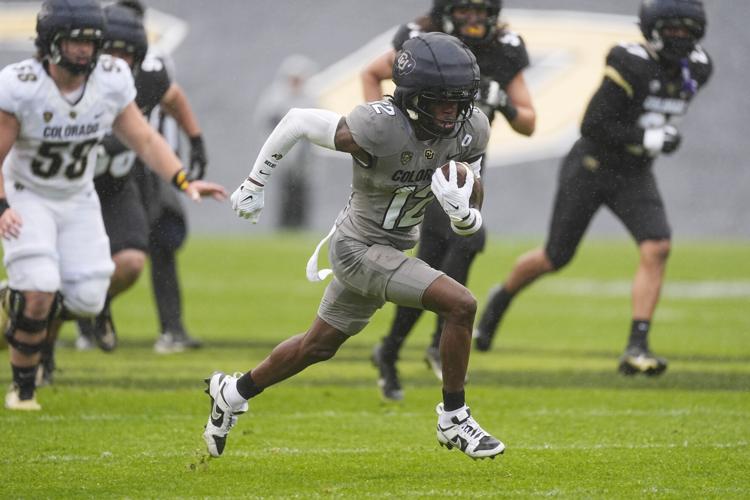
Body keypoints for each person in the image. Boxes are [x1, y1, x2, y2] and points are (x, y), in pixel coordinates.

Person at [204, 32, 505, 460]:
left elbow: (470, 214)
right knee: (461, 304)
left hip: (390, 249)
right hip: (358, 247)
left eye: (460, 101)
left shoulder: (472, 127)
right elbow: (297, 122)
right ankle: (454, 418)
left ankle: (232, 392)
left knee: (317, 346)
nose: (452, 112)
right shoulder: (380, 125)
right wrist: (254, 183)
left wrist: (463, 214)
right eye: (441, 101)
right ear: (415, 96)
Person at [0, 0, 225, 410]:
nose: (85, 52)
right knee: (40, 290)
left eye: (91, 43)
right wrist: (2, 206)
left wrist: (183, 179)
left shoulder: (112, 79)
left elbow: (144, 138)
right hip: (29, 194)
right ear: (52, 42)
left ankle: (20, 304)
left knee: (87, 297)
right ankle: (24, 387)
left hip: (78, 195)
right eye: (74, 42)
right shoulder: (21, 84)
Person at [473, 0, 712, 376]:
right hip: (591, 166)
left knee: (657, 246)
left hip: (633, 173)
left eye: (686, 29)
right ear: (652, 28)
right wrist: (647, 135)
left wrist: (654, 136)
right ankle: (500, 299)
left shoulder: (698, 66)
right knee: (555, 257)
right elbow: (592, 125)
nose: (679, 37)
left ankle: (637, 346)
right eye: (672, 29)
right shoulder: (630, 62)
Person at [361, 0, 536, 400]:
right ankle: (438, 336)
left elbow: (529, 122)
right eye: (465, 10)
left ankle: (389, 351)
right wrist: (379, 133)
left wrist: (504, 103)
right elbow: (371, 73)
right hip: (426, 162)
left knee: (432, 263)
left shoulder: (505, 47)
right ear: (445, 12)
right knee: (469, 239)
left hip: (469, 166)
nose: (474, 20)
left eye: (481, 11)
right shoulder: (420, 41)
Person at [73, 0, 209, 355]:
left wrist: (189, 154)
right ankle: (62, 329)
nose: (120, 58)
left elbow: (159, 117)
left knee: (149, 247)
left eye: (128, 47)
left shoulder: (150, 68)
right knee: (68, 263)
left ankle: (166, 326)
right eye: (113, 45)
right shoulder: (73, 68)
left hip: (140, 168)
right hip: (73, 177)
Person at [252, 54, 318, 229]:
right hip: (282, 152)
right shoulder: (275, 97)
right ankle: (285, 225)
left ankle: (300, 225)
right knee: (285, 191)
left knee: (302, 191)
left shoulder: (309, 98)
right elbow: (267, 123)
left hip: (303, 154)